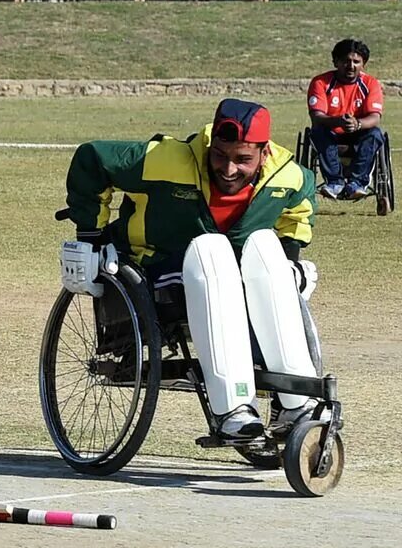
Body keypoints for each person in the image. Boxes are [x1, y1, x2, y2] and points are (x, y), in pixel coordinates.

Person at [64, 98, 320, 442]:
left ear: (264, 152)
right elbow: (91, 159)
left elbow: (298, 213)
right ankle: (233, 407)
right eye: (220, 156)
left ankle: (298, 399)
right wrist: (90, 237)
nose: (228, 170)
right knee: (210, 246)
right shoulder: (165, 160)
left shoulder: (287, 175)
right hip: (159, 264)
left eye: (243, 159)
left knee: (264, 245)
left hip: (234, 275)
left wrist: (289, 262)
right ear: (211, 145)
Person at [306, 36, 386, 200]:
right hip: (331, 132)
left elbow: (374, 117)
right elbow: (317, 116)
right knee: (318, 131)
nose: (351, 66)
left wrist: (357, 124)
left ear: (363, 64)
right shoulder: (320, 83)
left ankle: (357, 183)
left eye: (356, 62)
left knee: (376, 133)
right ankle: (335, 182)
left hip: (359, 133)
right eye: (346, 61)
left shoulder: (370, 84)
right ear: (336, 62)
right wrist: (339, 121)